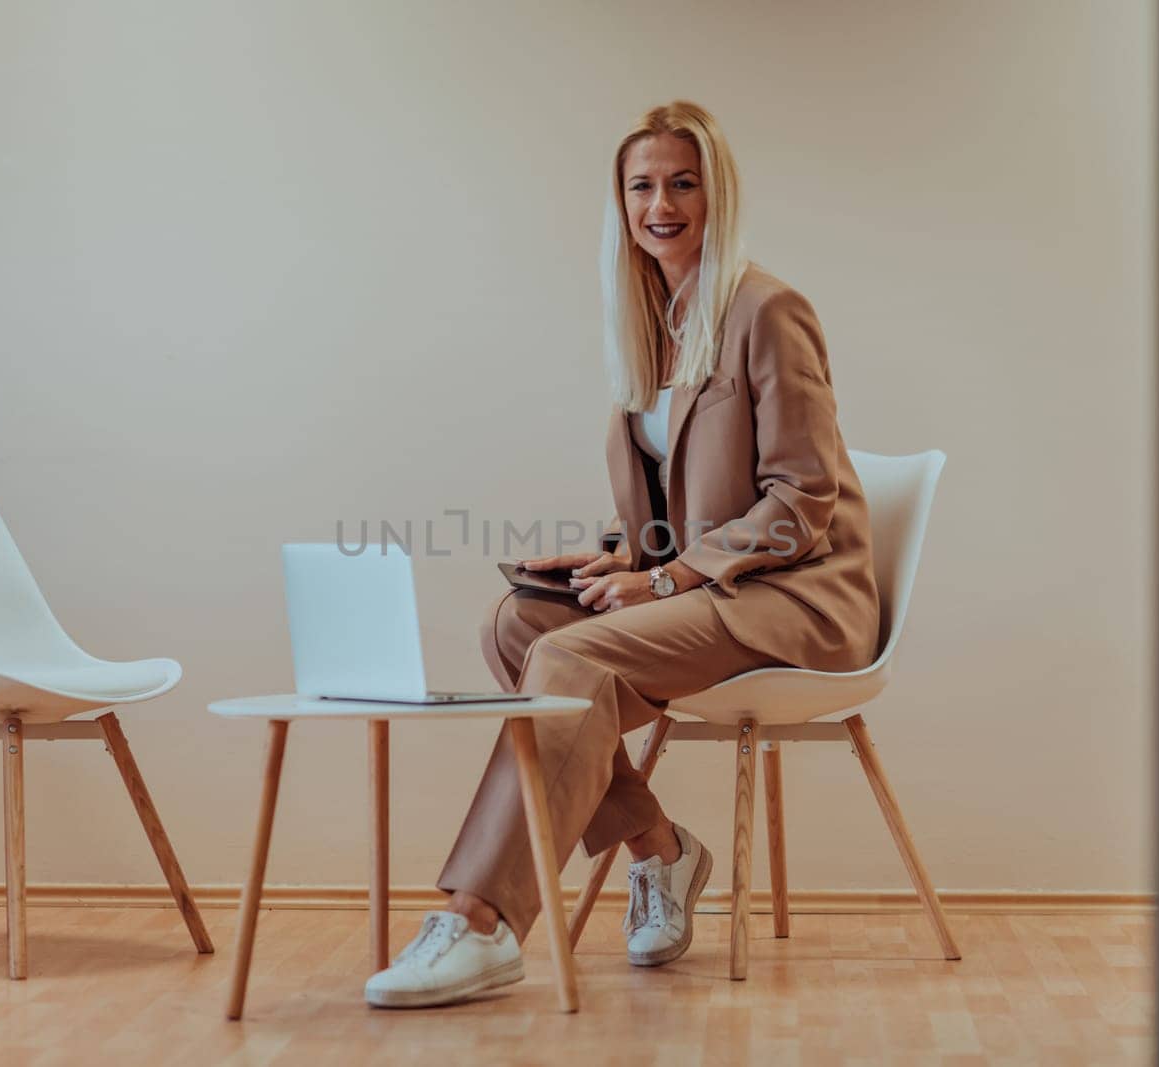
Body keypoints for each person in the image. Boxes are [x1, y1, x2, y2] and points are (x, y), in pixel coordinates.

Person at [364, 100, 881, 1008]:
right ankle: (662, 851)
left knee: (566, 656)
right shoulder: (655, 316)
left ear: (716, 192)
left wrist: (670, 576)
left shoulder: (766, 308)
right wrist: (615, 557)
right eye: (642, 185)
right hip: (708, 584)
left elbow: (801, 497)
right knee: (521, 623)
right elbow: (687, 502)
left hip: (794, 598)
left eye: (683, 182)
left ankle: (479, 918)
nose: (661, 204)